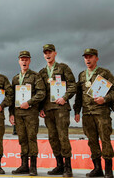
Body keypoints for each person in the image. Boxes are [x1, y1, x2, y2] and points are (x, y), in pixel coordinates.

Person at [74, 48, 114, 178]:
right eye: (86, 57)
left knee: (105, 140)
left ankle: (108, 169)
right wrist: (77, 111)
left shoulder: (105, 73)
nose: (88, 59)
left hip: (101, 112)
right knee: (92, 141)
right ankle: (97, 168)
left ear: (96, 58)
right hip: (87, 114)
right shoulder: (81, 75)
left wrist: (105, 99)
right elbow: (78, 95)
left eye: (90, 57)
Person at [39, 44, 76, 177]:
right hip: (48, 110)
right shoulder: (42, 73)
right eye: (45, 53)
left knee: (63, 137)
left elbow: (73, 85)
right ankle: (59, 165)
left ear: (55, 53)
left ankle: (68, 168)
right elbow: (40, 92)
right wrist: (40, 108)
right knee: (53, 138)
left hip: (61, 108)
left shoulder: (63, 68)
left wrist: (65, 97)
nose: (47, 55)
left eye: (50, 52)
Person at [9, 51, 46, 176]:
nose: (24, 62)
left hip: (31, 113)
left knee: (31, 138)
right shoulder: (15, 78)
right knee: (22, 139)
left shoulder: (35, 76)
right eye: (22, 59)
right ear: (19, 61)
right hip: (18, 113)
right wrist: (11, 113)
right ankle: (24, 165)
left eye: (26, 59)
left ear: (29, 61)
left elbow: (41, 93)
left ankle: (33, 167)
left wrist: (29, 102)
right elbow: (12, 97)